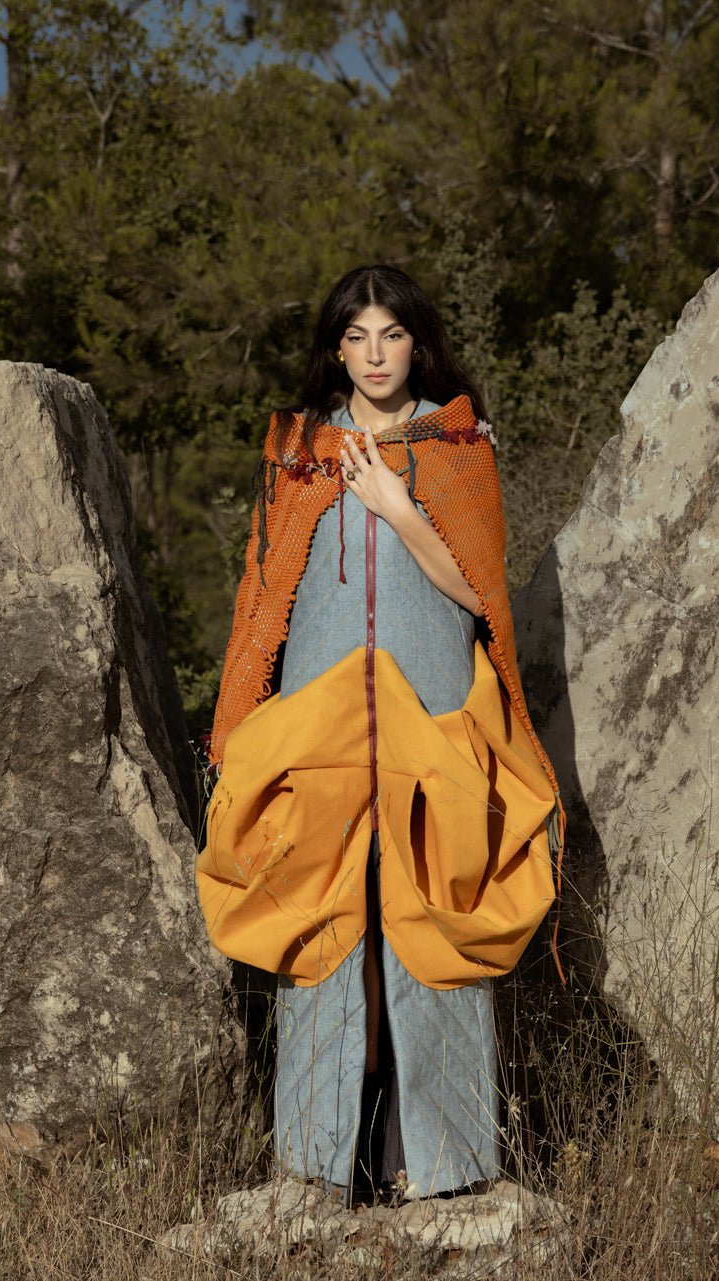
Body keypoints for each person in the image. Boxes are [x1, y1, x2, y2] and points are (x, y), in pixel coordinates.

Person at [196, 264, 563, 1202]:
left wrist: (398, 507)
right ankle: (323, 1162)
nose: (374, 355)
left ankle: (441, 1165)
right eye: (356, 337)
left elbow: (479, 593)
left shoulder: (456, 444)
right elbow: (262, 597)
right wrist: (239, 720)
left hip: (426, 721)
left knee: (431, 925)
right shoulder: (298, 450)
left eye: (391, 335)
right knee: (326, 931)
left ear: (417, 343)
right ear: (335, 349)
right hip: (318, 729)